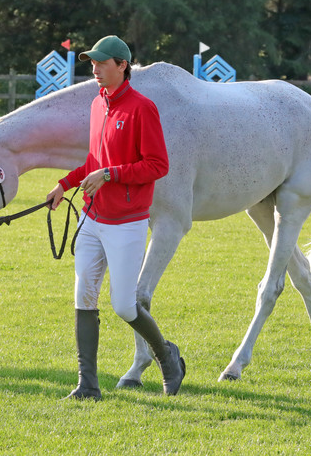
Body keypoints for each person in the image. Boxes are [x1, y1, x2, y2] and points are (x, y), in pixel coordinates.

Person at [46, 35, 185, 400]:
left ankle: (167, 357)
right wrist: (64, 184)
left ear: (122, 65)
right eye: (92, 63)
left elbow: (158, 165)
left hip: (127, 221)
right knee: (84, 298)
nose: (94, 70)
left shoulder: (143, 108)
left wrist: (110, 175)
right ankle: (87, 385)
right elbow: (95, 161)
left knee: (124, 304)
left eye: (101, 63)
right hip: (92, 218)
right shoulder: (97, 105)